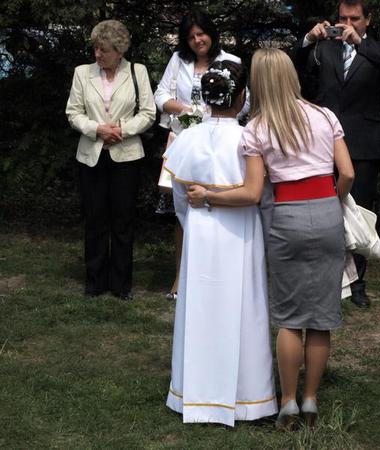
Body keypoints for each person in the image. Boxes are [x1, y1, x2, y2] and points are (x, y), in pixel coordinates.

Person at [187, 48, 355, 429]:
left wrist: (208, 196)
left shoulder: (257, 129)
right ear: (292, 76)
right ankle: (311, 400)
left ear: (258, 84)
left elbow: (251, 192)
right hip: (327, 213)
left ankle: (288, 402)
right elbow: (346, 173)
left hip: (286, 218)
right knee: (321, 318)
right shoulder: (325, 116)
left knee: (291, 319)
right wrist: (332, 202)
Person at [163, 60, 278, 426]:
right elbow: (263, 196)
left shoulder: (187, 138)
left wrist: (195, 219)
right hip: (242, 230)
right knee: (244, 304)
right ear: (242, 96)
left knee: (199, 305)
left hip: (199, 231)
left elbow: (180, 200)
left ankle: (192, 392)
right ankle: (248, 397)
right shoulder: (248, 139)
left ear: (206, 98)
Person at [295, 0, 380, 308]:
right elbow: (294, 69)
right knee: (322, 210)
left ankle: (357, 283)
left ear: (368, 19)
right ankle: (326, 278)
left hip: (364, 143)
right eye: (343, 18)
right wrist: (308, 40)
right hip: (323, 143)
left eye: (354, 18)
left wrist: (360, 44)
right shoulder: (324, 48)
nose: (347, 24)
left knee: (361, 212)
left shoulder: (378, 48)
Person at [154, 9, 247, 300]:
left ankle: (220, 278)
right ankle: (180, 279)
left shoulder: (231, 61)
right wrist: (186, 110)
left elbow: (244, 103)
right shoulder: (178, 60)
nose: (197, 40)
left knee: (217, 205)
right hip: (185, 143)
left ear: (212, 33)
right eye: (191, 36)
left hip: (220, 142)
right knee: (184, 210)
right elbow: (160, 96)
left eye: (201, 34)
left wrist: (213, 114)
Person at [66, 20, 155, 300]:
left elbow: (148, 112)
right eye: (95, 48)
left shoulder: (137, 71)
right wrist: (97, 129)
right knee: (94, 220)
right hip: (91, 156)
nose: (97, 54)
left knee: (123, 221)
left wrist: (122, 130)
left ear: (119, 50)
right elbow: (73, 112)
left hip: (126, 156)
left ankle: (121, 284)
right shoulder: (82, 73)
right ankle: (94, 281)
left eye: (103, 50)